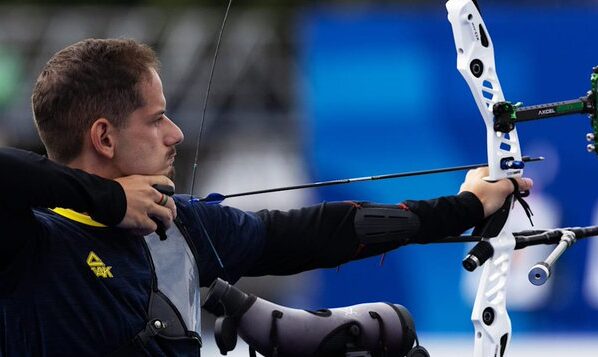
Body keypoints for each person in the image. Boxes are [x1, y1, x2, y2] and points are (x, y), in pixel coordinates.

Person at [0, 38, 533, 356]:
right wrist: (107, 200)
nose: (175, 135)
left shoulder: (177, 228)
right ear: (104, 138)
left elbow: (319, 231)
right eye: (157, 118)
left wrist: (466, 207)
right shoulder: (29, 239)